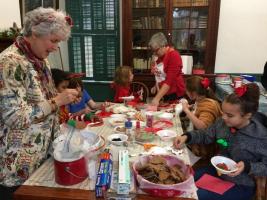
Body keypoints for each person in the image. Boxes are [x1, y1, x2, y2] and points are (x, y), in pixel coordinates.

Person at [0, 7, 79, 199]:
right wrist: (57, 101)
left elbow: (44, 101)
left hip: (42, 158)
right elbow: (15, 117)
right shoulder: (9, 62)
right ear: (35, 33)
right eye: (53, 40)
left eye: (58, 42)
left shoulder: (40, 60)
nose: (55, 47)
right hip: (18, 167)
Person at [174, 83, 267, 200]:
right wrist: (187, 137)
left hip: (241, 184)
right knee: (183, 179)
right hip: (218, 172)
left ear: (247, 115)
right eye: (223, 112)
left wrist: (247, 166)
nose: (223, 117)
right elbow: (205, 134)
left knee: (194, 195)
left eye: (229, 115)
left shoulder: (261, 137)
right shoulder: (222, 123)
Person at [181, 76, 222, 158]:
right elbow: (198, 110)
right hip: (196, 141)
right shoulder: (200, 100)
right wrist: (191, 108)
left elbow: (203, 127)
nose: (186, 92)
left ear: (193, 93)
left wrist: (186, 110)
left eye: (186, 90)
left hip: (203, 150)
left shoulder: (209, 105)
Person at [149, 32, 185, 106]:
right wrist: (155, 86)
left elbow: (169, 81)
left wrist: (156, 98)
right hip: (165, 93)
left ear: (163, 46)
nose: (155, 53)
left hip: (175, 93)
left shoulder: (174, 55)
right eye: (153, 51)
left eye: (156, 50)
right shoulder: (159, 57)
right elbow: (160, 76)